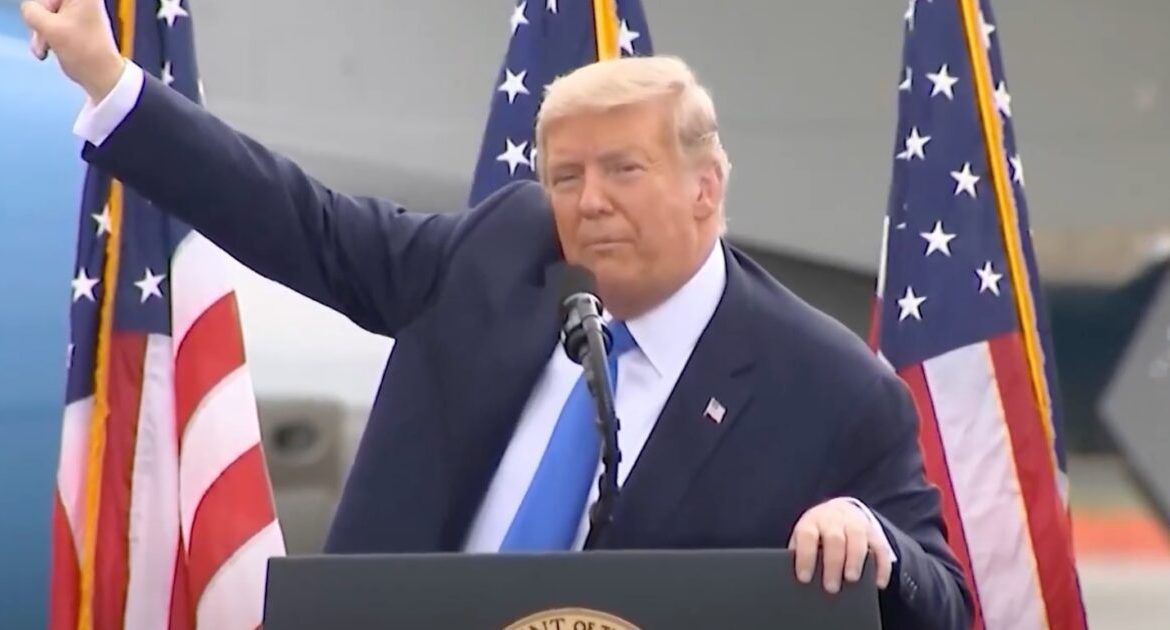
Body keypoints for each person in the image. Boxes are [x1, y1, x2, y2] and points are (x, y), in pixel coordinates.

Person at [22, 0, 972, 627]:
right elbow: (303, 222)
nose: (588, 202)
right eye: (567, 176)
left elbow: (947, 601)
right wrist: (110, 81)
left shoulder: (828, 388)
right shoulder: (502, 254)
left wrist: (874, 543)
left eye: (624, 170)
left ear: (706, 187)